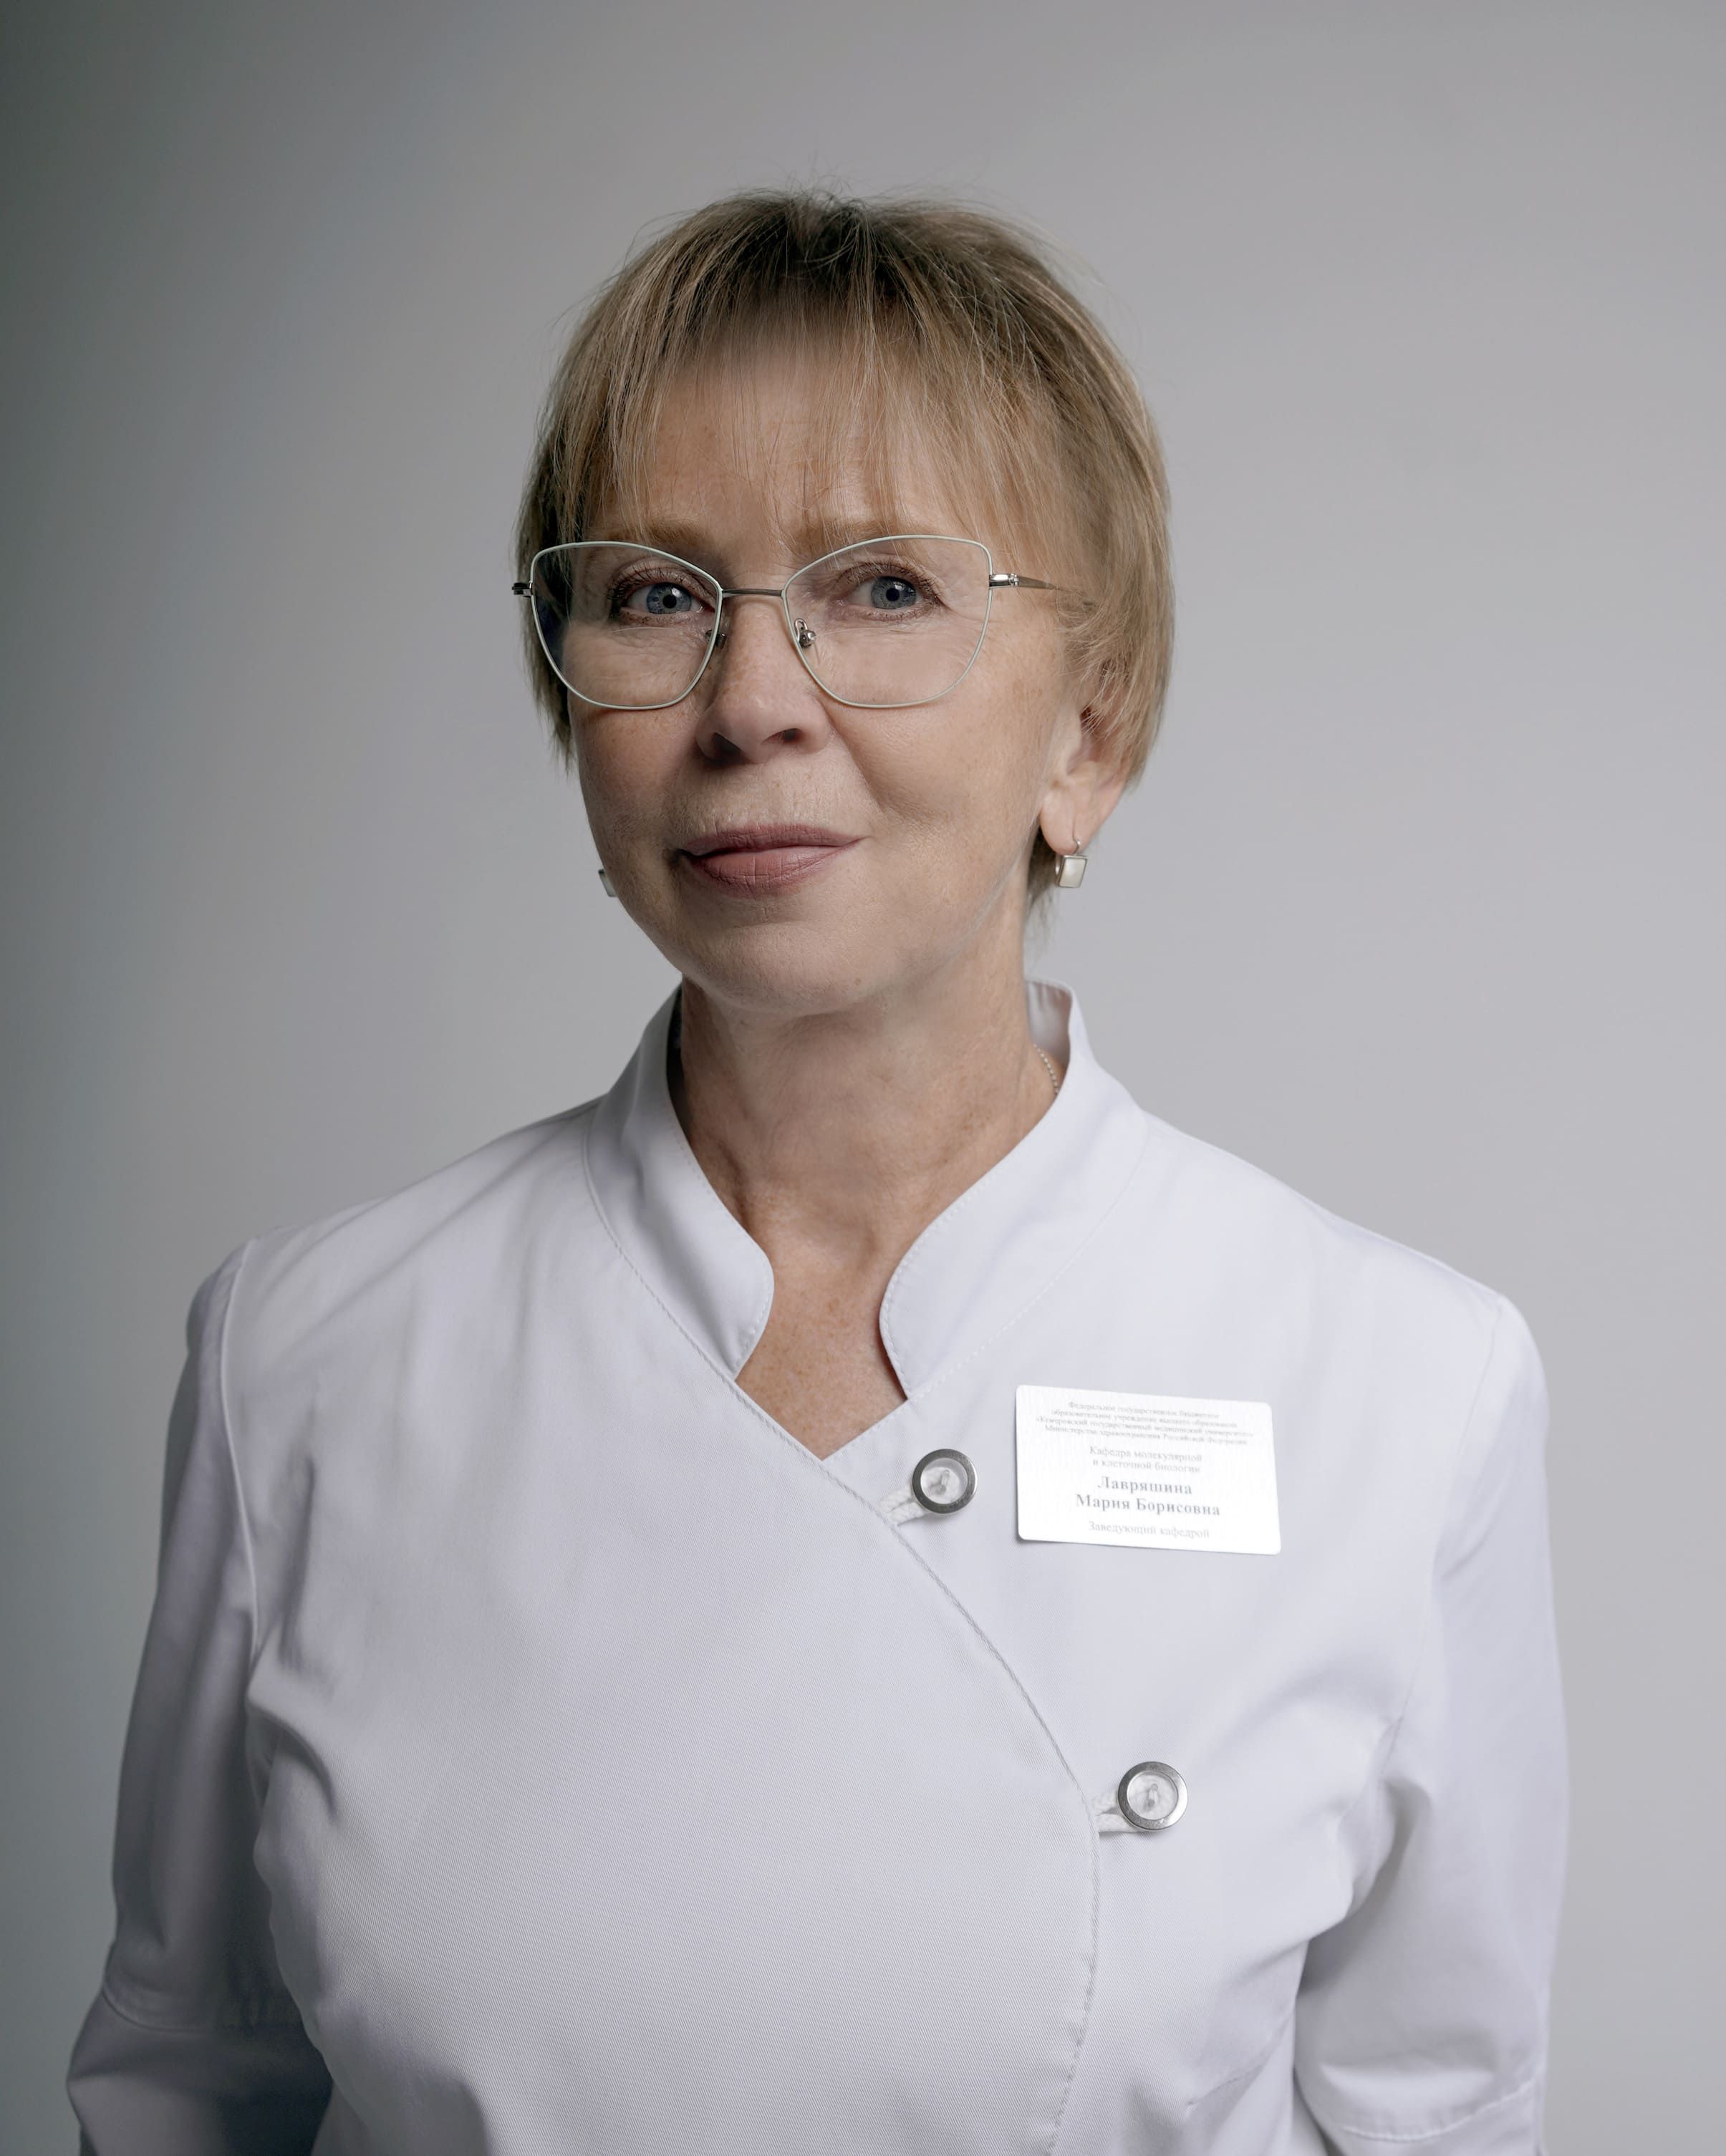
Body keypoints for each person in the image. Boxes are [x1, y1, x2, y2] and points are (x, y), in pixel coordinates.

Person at [68, 190, 1566, 2155]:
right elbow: (190, 2089)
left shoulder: (1398, 1388)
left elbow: (1436, 2114)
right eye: (654, 594)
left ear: (1090, 733)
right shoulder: (310, 1359)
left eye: (882, 589)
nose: (752, 701)